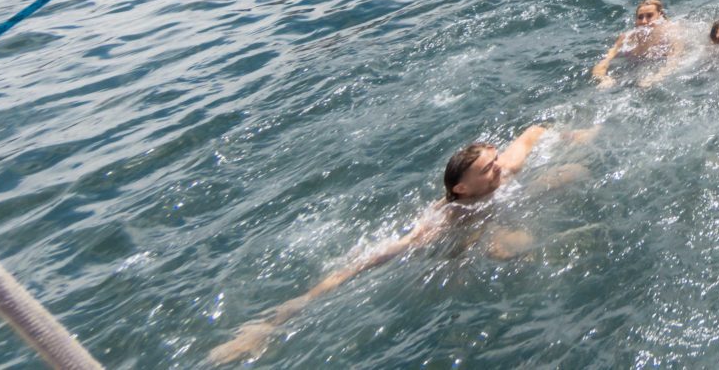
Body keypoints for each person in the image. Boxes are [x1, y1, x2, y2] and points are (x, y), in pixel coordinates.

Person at [207, 122, 595, 364]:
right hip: (462, 240)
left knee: (575, 170)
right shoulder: (444, 218)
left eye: (494, 159)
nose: (497, 167)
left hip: (497, 214)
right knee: (504, 249)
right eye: (486, 167)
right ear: (461, 188)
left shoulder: (504, 172)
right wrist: (272, 323)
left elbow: (532, 132)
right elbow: (359, 266)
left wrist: (574, 135)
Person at [591, 0, 684, 88]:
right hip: (632, 71)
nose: (644, 21)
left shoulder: (672, 32)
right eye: (640, 17)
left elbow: (675, 60)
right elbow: (604, 62)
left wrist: (656, 78)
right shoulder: (626, 37)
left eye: (649, 15)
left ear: (660, 15)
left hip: (658, 71)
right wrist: (603, 78)